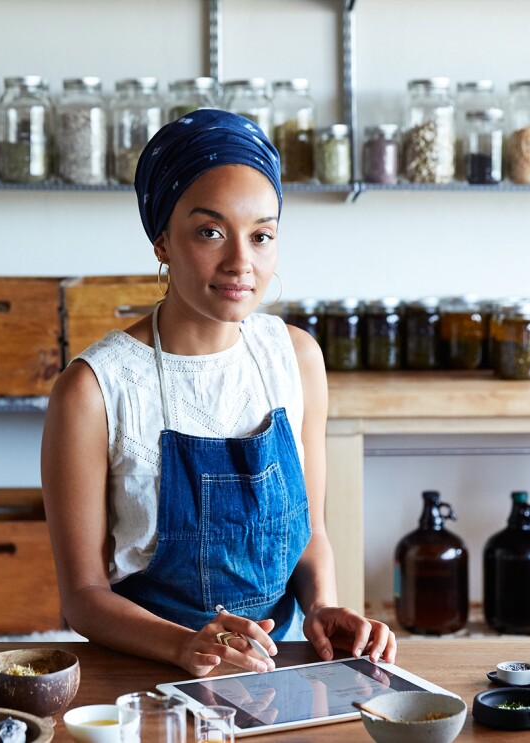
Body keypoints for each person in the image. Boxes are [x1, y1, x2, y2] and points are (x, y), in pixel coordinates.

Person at [41, 109, 396, 677]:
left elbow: (309, 535)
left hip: (274, 673)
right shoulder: (94, 390)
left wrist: (323, 606)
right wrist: (186, 646)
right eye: (210, 231)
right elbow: (82, 594)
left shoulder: (296, 359)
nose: (241, 262)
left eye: (261, 236)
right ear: (162, 240)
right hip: (145, 676)